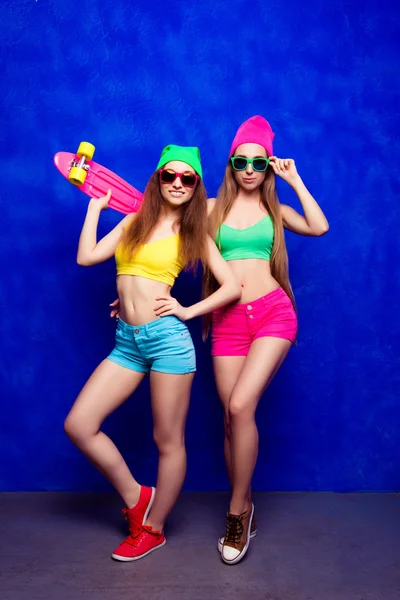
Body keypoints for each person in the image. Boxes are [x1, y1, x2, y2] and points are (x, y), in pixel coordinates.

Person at [64, 145, 241, 562]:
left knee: (168, 441)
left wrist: (187, 310)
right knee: (79, 424)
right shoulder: (132, 221)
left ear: (196, 186)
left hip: (167, 343)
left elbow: (232, 287)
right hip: (127, 342)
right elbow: (87, 257)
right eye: (170, 176)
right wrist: (94, 208)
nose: (178, 184)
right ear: (158, 179)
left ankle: (154, 528)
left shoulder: (194, 234)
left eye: (188, 178)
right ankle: (136, 496)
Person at [205, 116, 329, 565]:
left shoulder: (275, 211)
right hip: (227, 320)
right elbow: (167, 243)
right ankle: (247, 502)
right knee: (230, 418)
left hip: (274, 313)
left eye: (259, 162)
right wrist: (135, 295)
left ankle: (237, 513)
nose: (250, 168)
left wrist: (295, 180)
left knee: (241, 406)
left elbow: (319, 226)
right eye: (242, 161)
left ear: (269, 166)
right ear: (232, 164)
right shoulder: (211, 207)